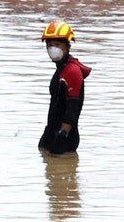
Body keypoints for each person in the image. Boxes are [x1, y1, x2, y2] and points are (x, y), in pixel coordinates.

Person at [38, 20, 91, 156]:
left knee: (59, 169)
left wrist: (62, 135)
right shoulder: (61, 69)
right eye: (49, 45)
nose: (52, 48)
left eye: (57, 44)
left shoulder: (72, 71)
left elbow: (72, 109)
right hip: (52, 130)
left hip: (64, 136)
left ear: (68, 46)